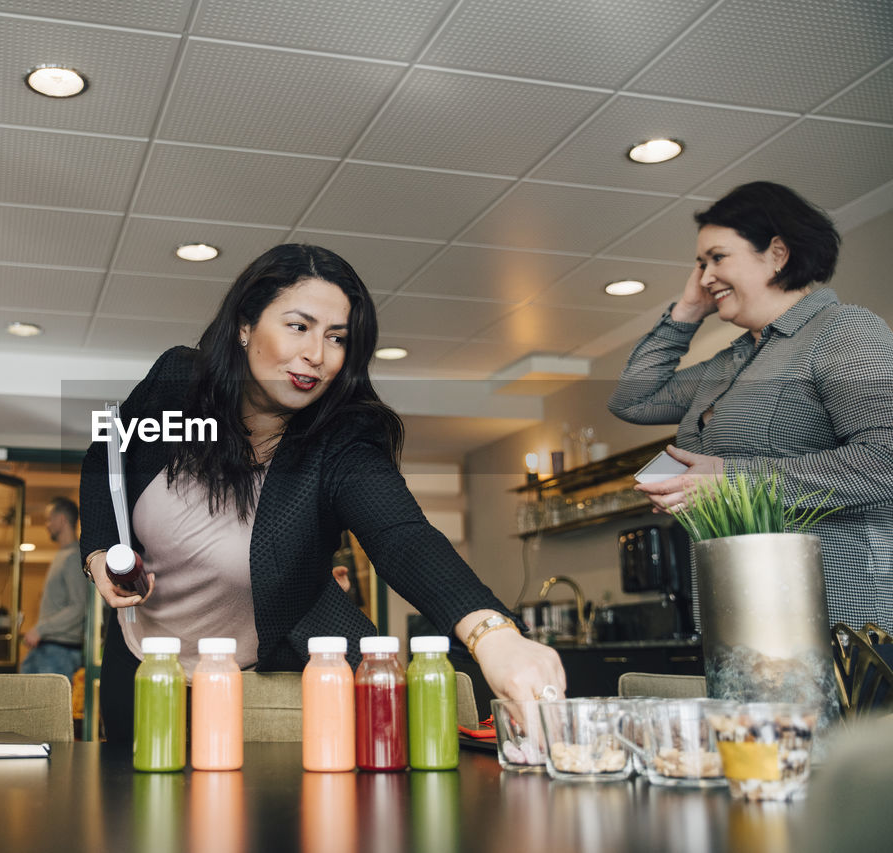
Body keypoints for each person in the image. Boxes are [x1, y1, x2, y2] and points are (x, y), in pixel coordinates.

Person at [80, 243, 565, 741]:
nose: (317, 355)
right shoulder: (175, 385)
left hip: (261, 670)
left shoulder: (342, 440)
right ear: (245, 325)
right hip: (145, 660)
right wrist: (97, 550)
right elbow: (106, 459)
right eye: (299, 326)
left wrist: (494, 636)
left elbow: (401, 535)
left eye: (337, 337)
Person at [608, 182, 893, 631]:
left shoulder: (843, 331)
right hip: (736, 612)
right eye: (700, 265)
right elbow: (633, 400)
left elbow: (884, 463)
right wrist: (686, 310)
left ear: (777, 254)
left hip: (838, 617)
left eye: (718, 258)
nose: (704, 277)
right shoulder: (729, 362)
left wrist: (728, 481)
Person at [20, 497, 87, 680]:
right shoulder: (63, 555)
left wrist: (40, 629)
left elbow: (79, 607)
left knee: (48, 707)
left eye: (49, 519)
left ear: (62, 520)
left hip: (60, 651)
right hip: (48, 648)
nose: (47, 525)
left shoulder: (73, 557)